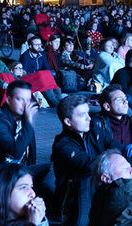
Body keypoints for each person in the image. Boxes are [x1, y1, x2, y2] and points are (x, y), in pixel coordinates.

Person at [0, 80, 47, 193]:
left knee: (51, 169)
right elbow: (15, 152)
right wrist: (29, 124)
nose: (25, 104)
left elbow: (31, 154)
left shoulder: (23, 117)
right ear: (8, 99)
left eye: (28, 100)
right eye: (19, 99)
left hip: (17, 170)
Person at [51, 95, 115, 226]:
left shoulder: (93, 131)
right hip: (75, 199)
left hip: (100, 187)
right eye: (82, 115)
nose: (89, 118)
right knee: (86, 177)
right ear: (68, 122)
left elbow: (116, 146)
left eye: (88, 113)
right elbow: (91, 165)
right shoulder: (63, 145)